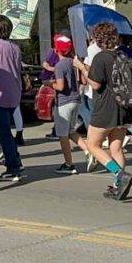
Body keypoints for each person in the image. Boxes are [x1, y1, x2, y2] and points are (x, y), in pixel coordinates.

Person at [74, 22, 132, 200]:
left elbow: (95, 84)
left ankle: (119, 174)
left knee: (93, 145)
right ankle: (118, 186)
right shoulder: (122, 55)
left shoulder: (101, 57)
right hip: (124, 107)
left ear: (98, 39)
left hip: (106, 107)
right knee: (116, 148)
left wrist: (81, 67)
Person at [0, 15, 24, 181]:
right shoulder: (15, 47)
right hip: (14, 92)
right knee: (6, 131)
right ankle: (15, 160)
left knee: (4, 133)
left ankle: (13, 167)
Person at [50, 35, 87, 174]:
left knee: (63, 134)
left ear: (57, 50)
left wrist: (49, 83)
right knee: (71, 131)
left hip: (64, 102)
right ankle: (89, 151)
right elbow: (83, 81)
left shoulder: (59, 66)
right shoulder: (74, 62)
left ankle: (68, 164)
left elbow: (60, 86)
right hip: (76, 99)